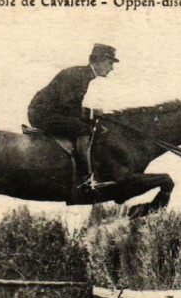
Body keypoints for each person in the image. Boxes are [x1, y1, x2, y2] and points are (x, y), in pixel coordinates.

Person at [28, 44, 118, 190]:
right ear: (99, 61)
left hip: (49, 112)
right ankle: (86, 178)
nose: (111, 68)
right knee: (84, 130)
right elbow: (67, 106)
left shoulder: (83, 75)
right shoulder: (77, 75)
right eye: (110, 63)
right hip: (43, 114)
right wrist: (92, 113)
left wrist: (91, 114)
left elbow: (71, 106)